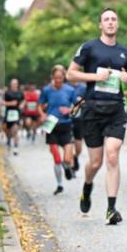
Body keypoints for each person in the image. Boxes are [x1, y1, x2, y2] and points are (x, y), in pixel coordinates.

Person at [67, 7, 127, 225]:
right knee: (95, 163)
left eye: (114, 19)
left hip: (116, 109)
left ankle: (111, 208)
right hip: (93, 110)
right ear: (100, 24)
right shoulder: (89, 48)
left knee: (112, 155)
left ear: (118, 23)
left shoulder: (125, 52)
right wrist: (95, 76)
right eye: (106, 19)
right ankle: (87, 186)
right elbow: (71, 74)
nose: (110, 22)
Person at [38, 65, 78, 195]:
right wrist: (42, 114)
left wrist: (69, 110)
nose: (58, 80)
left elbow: (77, 107)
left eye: (60, 78)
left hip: (66, 125)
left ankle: (67, 167)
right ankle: (60, 184)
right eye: (56, 78)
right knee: (56, 158)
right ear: (52, 78)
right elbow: (39, 106)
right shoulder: (46, 90)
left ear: (64, 77)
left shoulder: (70, 90)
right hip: (51, 126)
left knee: (67, 158)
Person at [68, 80, 87, 173]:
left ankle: (75, 157)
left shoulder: (83, 88)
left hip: (79, 120)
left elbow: (88, 100)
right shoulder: (65, 88)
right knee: (69, 143)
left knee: (78, 148)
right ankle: (71, 166)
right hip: (67, 120)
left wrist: (82, 102)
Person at [2, 78, 24, 154]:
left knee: (15, 130)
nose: (14, 85)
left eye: (15, 83)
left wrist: (22, 104)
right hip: (8, 113)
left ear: (17, 84)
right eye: (13, 83)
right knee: (6, 128)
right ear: (10, 84)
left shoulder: (20, 93)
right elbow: (2, 103)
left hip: (17, 114)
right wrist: (11, 103)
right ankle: (8, 139)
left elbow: (24, 100)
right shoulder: (7, 93)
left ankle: (15, 146)